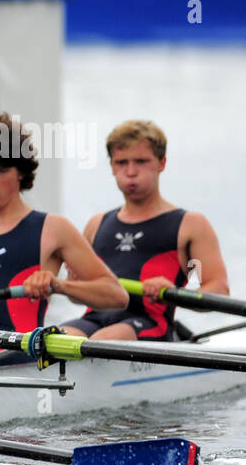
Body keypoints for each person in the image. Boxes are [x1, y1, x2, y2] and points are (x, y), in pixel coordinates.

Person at [0, 113, 127, 367]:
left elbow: (117, 296)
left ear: (20, 174)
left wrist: (58, 285)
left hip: (19, 348)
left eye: (2, 170)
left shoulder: (52, 229)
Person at [61, 120, 230, 341]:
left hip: (152, 323)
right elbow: (77, 299)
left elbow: (218, 289)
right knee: (55, 338)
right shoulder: (96, 224)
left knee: (104, 341)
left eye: (141, 161)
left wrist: (175, 294)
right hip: (95, 318)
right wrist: (72, 285)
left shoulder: (191, 225)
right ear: (112, 166)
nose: (131, 172)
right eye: (122, 162)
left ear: (161, 163)